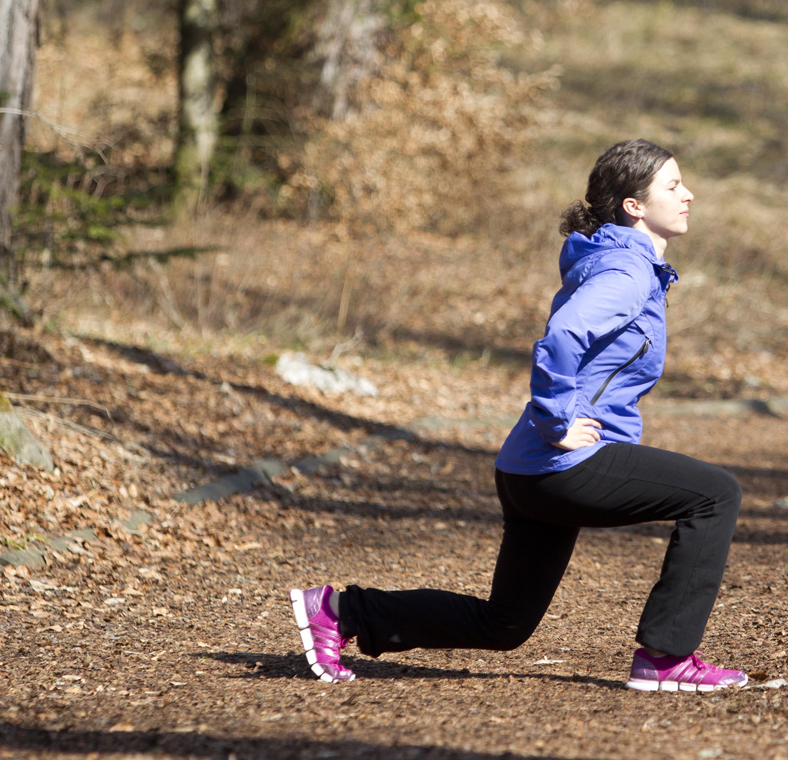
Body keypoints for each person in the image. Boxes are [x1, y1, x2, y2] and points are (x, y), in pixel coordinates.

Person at [288, 139, 748, 693]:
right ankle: (667, 658)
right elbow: (562, 337)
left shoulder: (623, 264)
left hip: (530, 469)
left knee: (504, 624)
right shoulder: (626, 272)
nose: (688, 194)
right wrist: (559, 424)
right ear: (634, 205)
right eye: (673, 186)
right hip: (563, 462)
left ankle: (341, 612)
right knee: (715, 494)